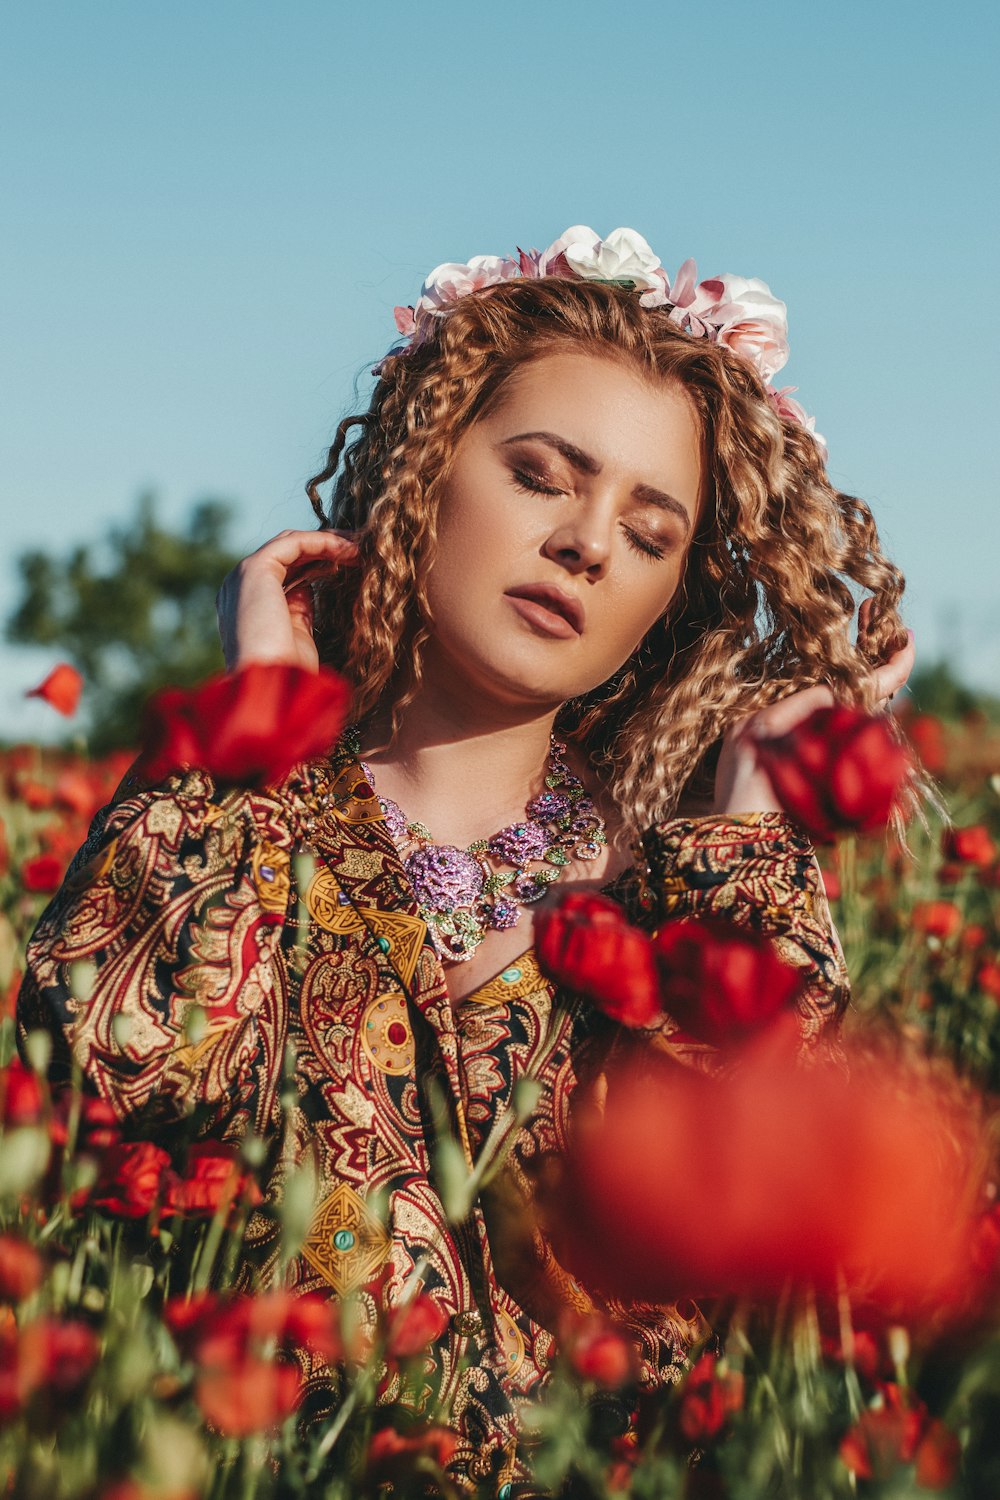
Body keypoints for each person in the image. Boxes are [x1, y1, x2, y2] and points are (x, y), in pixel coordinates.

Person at [17, 226, 913, 1492]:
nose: (587, 543)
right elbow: (114, 1082)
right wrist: (261, 723)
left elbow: (782, 1286)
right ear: (427, 466)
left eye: (649, 533)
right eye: (543, 475)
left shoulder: (672, 894)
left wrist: (754, 835)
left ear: (670, 600)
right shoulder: (239, 809)